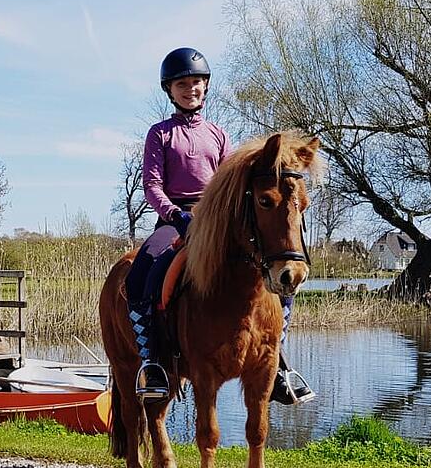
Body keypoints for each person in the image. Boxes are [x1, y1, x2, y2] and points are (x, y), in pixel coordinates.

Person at [125, 47, 315, 405]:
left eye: (196, 83)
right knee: (142, 274)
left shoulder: (218, 134)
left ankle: (278, 363)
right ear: (170, 90)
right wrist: (177, 216)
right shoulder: (160, 134)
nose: (190, 89)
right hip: (174, 217)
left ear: (205, 87)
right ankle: (152, 362)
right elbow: (152, 186)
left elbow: (232, 182)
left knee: (275, 275)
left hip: (217, 219)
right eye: (182, 84)